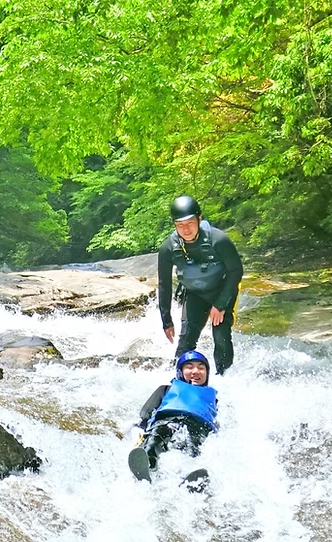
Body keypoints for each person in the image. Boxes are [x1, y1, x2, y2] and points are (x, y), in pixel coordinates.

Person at [157, 195, 243, 374]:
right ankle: (179, 380)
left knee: (220, 336)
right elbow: (164, 284)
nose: (185, 229)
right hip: (194, 293)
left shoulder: (219, 239)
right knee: (186, 340)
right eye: (180, 225)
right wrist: (166, 321)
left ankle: (225, 378)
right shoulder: (168, 248)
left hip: (222, 290)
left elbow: (236, 271)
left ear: (199, 219)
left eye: (190, 223)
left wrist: (221, 304)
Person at [128, 350, 218, 483]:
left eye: (201, 368)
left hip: (197, 428)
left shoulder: (214, 400)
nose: (196, 371)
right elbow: (146, 413)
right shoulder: (166, 389)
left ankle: (186, 479)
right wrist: (139, 428)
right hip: (166, 423)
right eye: (189, 367)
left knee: (191, 449)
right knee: (155, 439)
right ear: (180, 372)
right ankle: (148, 464)